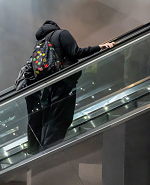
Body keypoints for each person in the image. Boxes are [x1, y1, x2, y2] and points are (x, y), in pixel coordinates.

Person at [25, 20, 114, 153]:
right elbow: (76, 52)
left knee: (50, 119)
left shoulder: (39, 43)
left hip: (47, 87)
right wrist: (99, 47)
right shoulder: (61, 34)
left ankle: (42, 151)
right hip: (64, 81)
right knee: (62, 118)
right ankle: (49, 153)